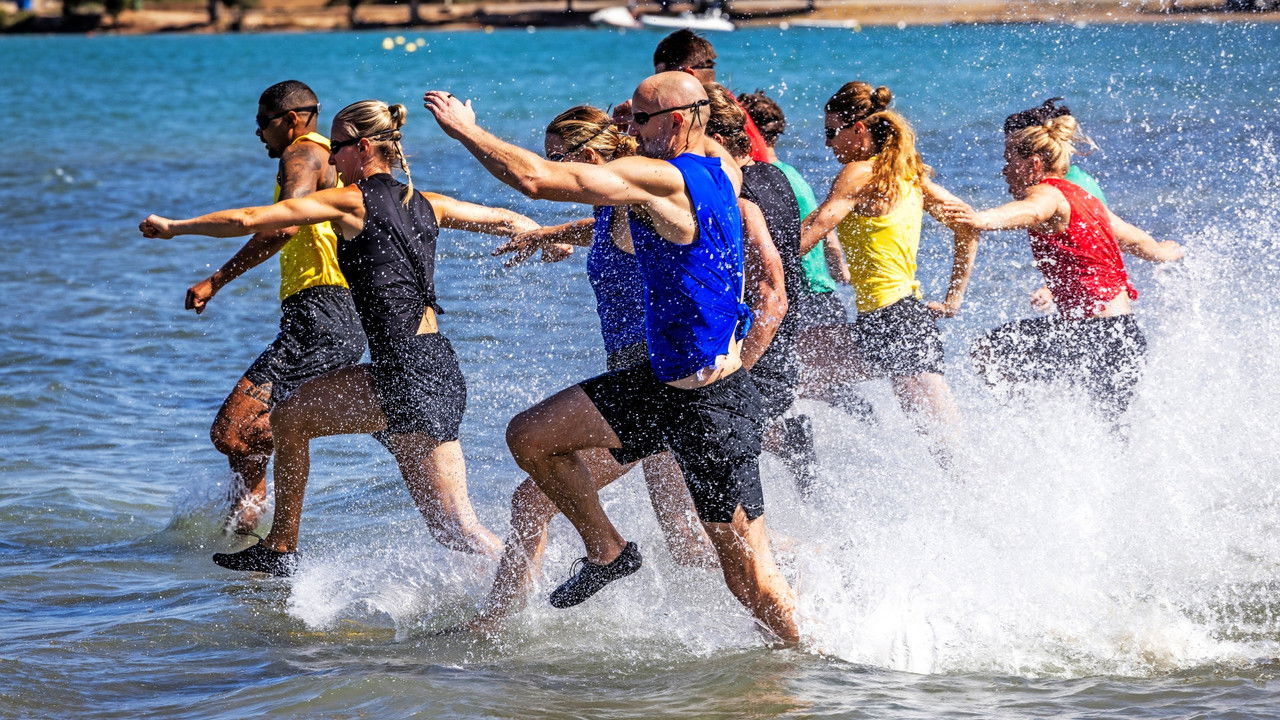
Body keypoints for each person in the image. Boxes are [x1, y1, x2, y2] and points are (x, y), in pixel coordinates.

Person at [423, 73, 800, 644]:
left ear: (677, 121)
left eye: (639, 120)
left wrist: (466, 131)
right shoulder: (720, 165)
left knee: (746, 575)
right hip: (657, 384)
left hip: (710, 404)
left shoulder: (667, 178)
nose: (630, 130)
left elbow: (536, 178)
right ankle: (607, 549)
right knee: (530, 436)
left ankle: (808, 664)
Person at [142, 100, 541, 576]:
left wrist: (176, 228)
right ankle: (528, 585)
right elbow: (505, 218)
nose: (330, 157)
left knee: (292, 420)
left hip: (405, 374)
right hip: (436, 370)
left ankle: (281, 547)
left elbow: (253, 218)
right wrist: (545, 234)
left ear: (364, 147)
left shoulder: (353, 201)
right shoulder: (429, 202)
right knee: (453, 528)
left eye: (337, 147)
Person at [457, 105, 720, 631]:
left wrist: (466, 129)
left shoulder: (636, 204)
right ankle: (501, 620)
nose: (556, 167)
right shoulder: (611, 210)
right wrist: (548, 235)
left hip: (655, 380)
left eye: (561, 158)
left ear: (593, 157)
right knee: (687, 539)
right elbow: (601, 228)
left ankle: (495, 623)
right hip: (640, 380)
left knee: (535, 497)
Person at [182, 80, 366, 534]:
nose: (258, 133)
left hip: (323, 311)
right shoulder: (330, 157)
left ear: (291, 120)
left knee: (231, 431)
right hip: (332, 312)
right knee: (245, 440)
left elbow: (284, 225)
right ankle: (245, 531)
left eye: (263, 123)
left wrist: (216, 280)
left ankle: (377, 417)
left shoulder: (302, 153)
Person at [938, 108, 1184, 420]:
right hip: (1125, 338)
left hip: (1091, 336)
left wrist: (981, 219)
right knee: (1110, 434)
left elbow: (1032, 210)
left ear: (1033, 164)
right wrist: (1165, 252)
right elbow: (1136, 241)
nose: (1004, 171)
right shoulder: (1084, 197)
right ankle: (1053, 431)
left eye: (1009, 161)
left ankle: (1034, 428)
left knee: (988, 351)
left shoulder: (1047, 193)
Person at [798, 82, 980, 463]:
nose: (828, 144)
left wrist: (750, 269)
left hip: (896, 325)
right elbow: (968, 225)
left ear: (858, 129)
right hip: (895, 322)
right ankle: (843, 448)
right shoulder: (909, 176)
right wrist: (953, 298)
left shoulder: (858, 173)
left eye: (832, 132)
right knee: (793, 366)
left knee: (952, 457)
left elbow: (815, 227)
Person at [703, 82, 820, 489]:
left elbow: (770, 296)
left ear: (718, 143)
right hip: (780, 346)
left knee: (712, 453)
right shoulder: (774, 175)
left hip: (758, 346)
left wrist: (738, 372)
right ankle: (789, 444)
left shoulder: (742, 194)